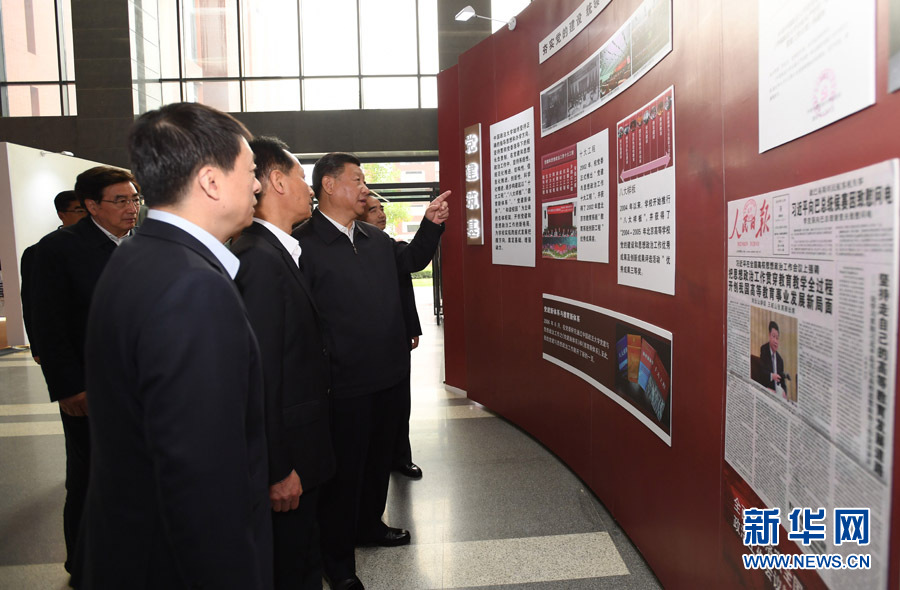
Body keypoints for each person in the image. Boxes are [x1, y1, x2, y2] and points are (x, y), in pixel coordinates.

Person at [77, 102, 272, 589]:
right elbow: (201, 479)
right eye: (250, 172)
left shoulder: (139, 255)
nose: (257, 186)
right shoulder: (193, 287)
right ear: (211, 181)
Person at [293, 153, 449, 590]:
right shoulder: (302, 244)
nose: (365, 188)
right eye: (357, 179)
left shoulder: (375, 239)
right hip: (343, 384)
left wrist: (431, 224)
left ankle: (370, 526)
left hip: (390, 377)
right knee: (345, 474)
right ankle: (338, 560)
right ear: (328, 185)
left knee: (379, 461)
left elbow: (412, 260)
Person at [232, 136, 335, 590]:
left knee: (303, 555)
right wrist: (277, 470)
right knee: (290, 566)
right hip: (287, 457)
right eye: (301, 178)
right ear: (276, 181)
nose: (310, 189)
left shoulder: (279, 252)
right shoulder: (258, 260)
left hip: (302, 445)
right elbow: (261, 376)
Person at [31, 167, 139, 576]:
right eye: (120, 200)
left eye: (134, 199)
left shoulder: (138, 244)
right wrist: (69, 388)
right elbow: (47, 324)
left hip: (138, 386)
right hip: (90, 389)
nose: (131, 208)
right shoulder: (58, 250)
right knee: (89, 475)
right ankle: (83, 563)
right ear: (92, 205)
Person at [360, 194, 423, 479]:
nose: (381, 214)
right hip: (369, 346)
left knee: (401, 402)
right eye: (373, 210)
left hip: (397, 337)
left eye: (381, 209)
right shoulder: (357, 250)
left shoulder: (391, 246)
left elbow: (405, 292)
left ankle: (401, 457)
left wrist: (412, 328)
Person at [20, 190, 87, 364]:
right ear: (61, 215)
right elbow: (31, 302)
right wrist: (36, 347)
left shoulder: (98, 247)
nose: (86, 216)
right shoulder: (39, 251)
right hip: (64, 342)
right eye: (80, 211)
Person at [759, 321, 786, 394]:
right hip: (767, 391)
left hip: (777, 394)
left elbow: (783, 383)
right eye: (773, 336)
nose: (776, 341)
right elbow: (761, 372)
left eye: (777, 338)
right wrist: (772, 376)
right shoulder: (764, 349)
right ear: (769, 335)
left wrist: (784, 392)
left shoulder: (780, 360)